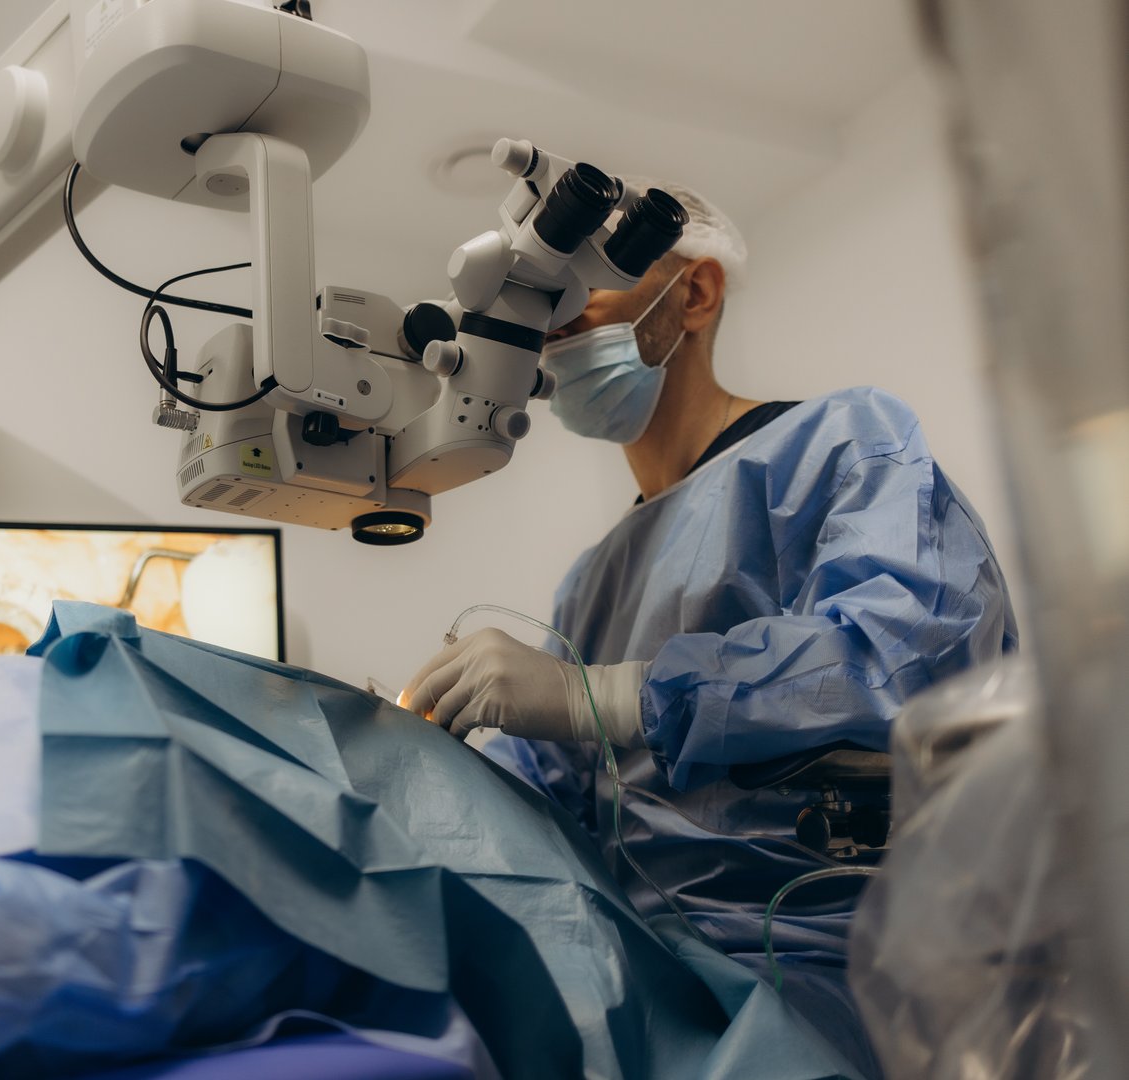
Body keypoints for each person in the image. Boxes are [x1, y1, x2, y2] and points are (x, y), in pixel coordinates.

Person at [403, 180, 1017, 1073]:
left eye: (582, 296)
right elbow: (552, 796)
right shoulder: (596, 580)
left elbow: (908, 653)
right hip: (647, 977)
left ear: (691, 294)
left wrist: (609, 692)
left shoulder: (842, 442)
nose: (556, 328)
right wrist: (417, 759)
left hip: (848, 977)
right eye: (546, 312)